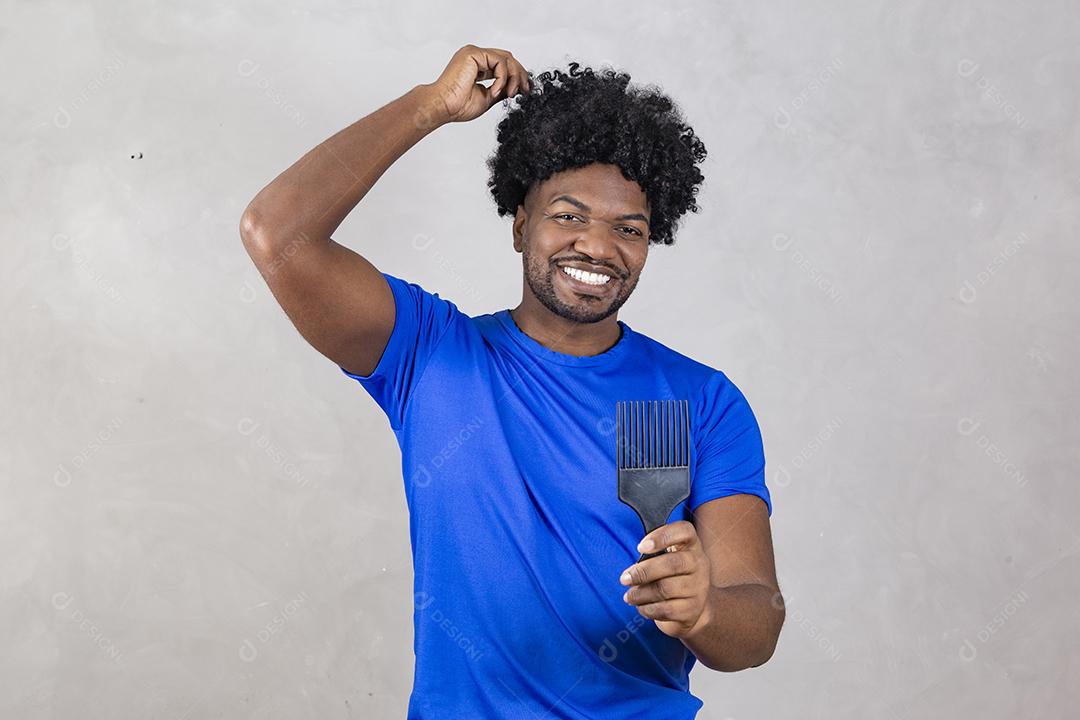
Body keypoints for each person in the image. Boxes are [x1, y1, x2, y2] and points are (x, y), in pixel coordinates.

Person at [240, 44, 784, 719]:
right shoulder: (428, 352)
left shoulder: (698, 400)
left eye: (629, 228)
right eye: (568, 215)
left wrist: (704, 610)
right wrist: (429, 106)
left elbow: (755, 621)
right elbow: (277, 234)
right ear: (520, 224)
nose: (598, 246)